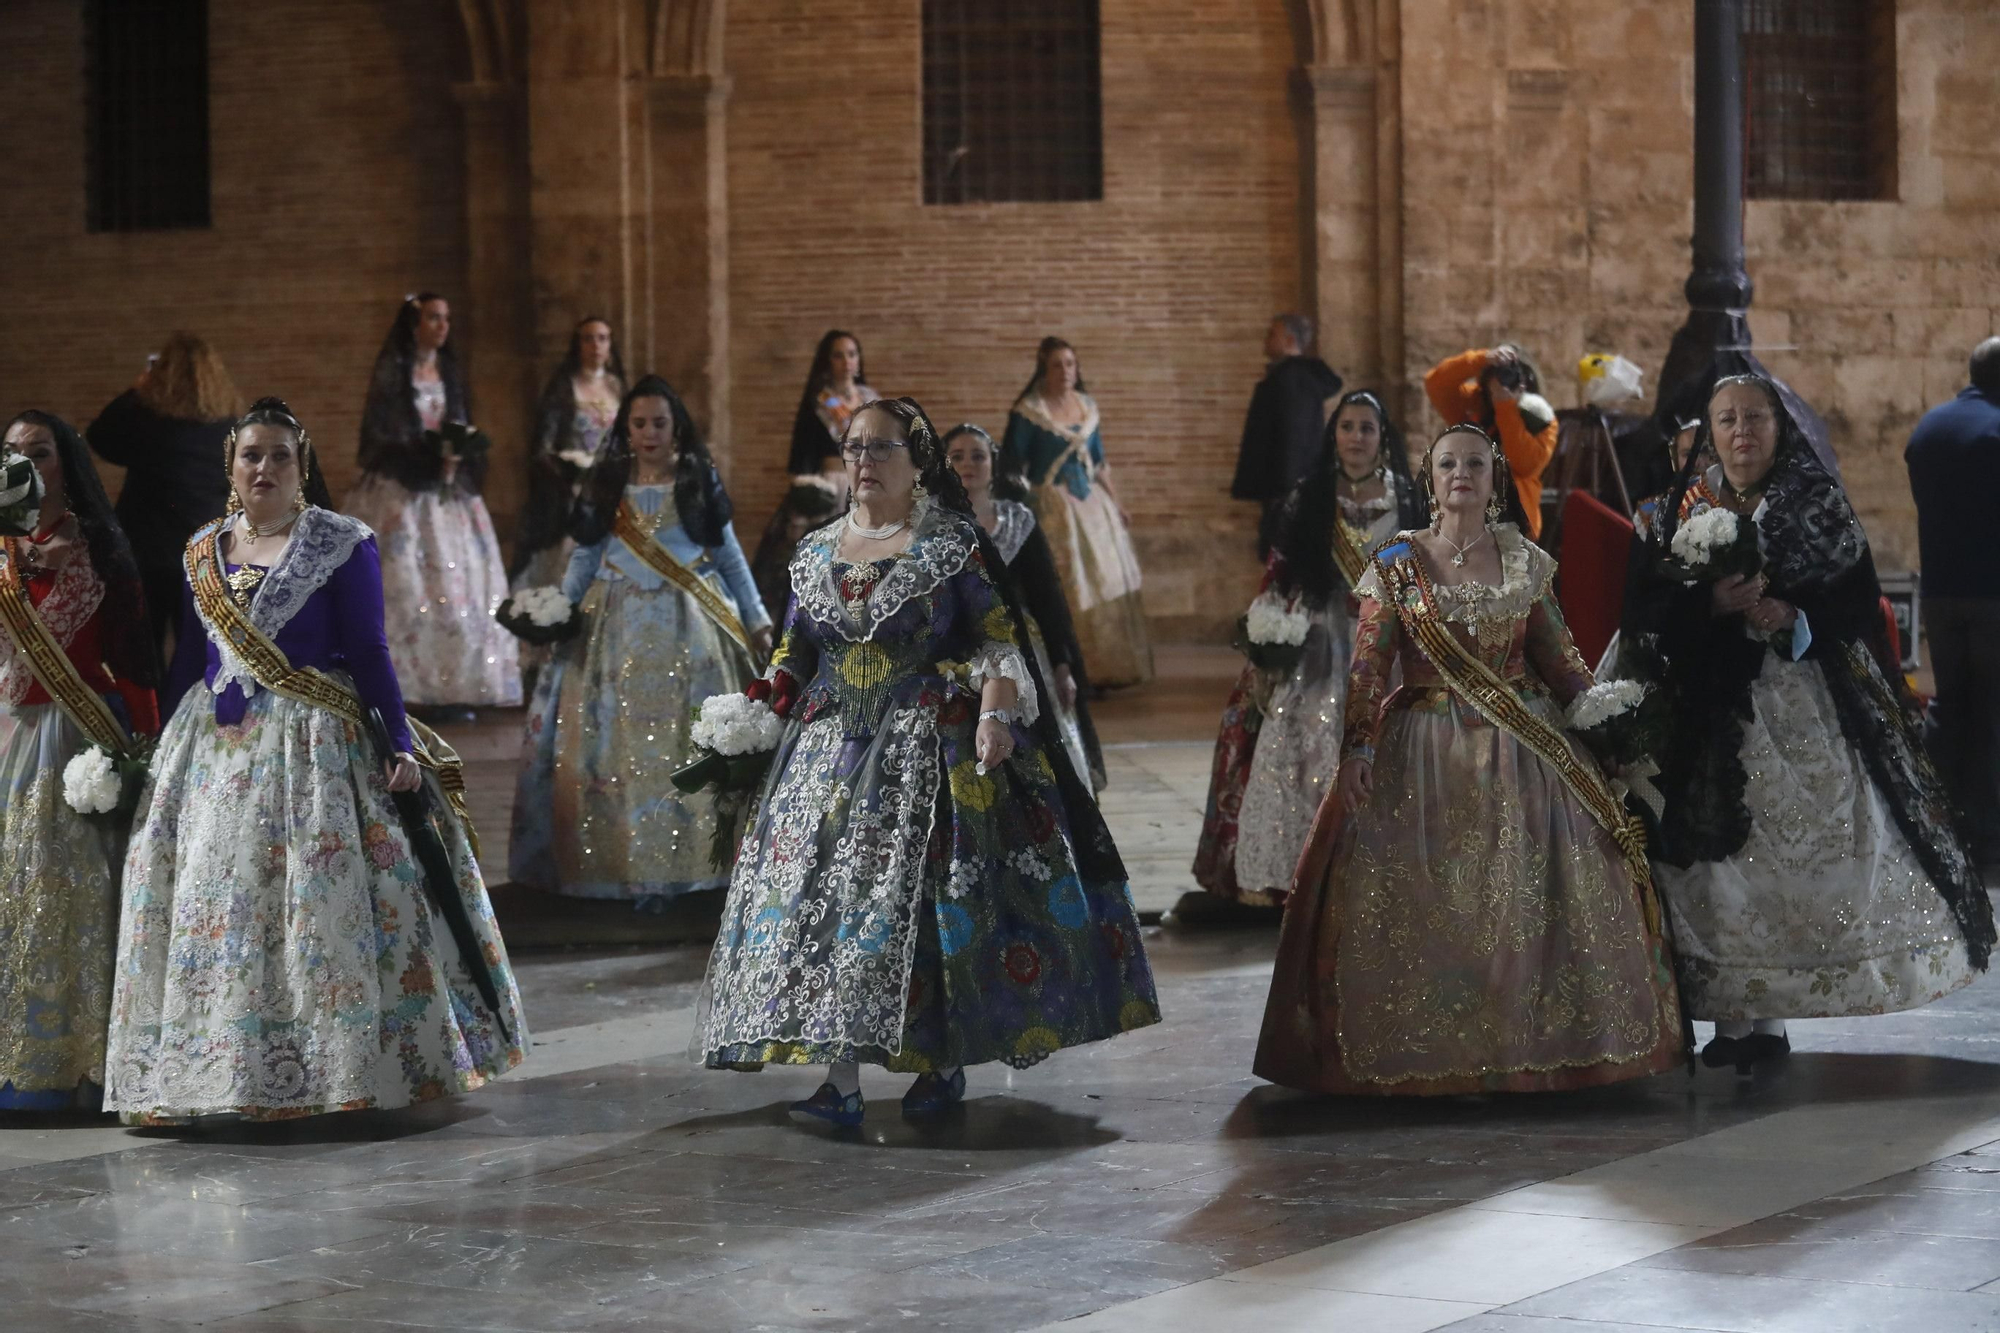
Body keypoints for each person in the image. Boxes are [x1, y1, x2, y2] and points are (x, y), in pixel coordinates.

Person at [696, 397, 1159, 1126]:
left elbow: (996, 635)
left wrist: (996, 712)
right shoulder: (816, 550)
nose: (863, 462)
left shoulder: (950, 545)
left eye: (881, 449)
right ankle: (839, 1079)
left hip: (922, 741)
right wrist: (760, 708)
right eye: (853, 447)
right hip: (824, 752)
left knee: (923, 908)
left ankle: (941, 1065)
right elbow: (794, 647)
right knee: (823, 908)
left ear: (918, 466)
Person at [105, 398, 527, 1123]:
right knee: (222, 907)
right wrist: (154, 748)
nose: (262, 467)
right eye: (250, 455)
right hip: (210, 751)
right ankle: (221, 1071)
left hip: (313, 746)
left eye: (278, 455)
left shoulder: (340, 540)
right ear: (230, 467)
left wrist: (396, 740)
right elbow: (190, 667)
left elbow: (370, 650)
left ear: (301, 466)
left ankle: (338, 1068)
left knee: (311, 898)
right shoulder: (202, 548)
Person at [1254, 422, 1684, 1095]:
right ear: (1431, 478)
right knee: (1433, 902)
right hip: (1423, 753)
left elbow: (1563, 662)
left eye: (1476, 464)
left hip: (1529, 757)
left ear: (1493, 478)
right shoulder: (1397, 562)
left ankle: (1536, 1047)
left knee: (1529, 903)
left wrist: (1611, 733)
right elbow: (1368, 665)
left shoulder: (1525, 561)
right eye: (1449, 463)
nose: (1462, 473)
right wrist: (1359, 745)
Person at [1622, 373, 1995, 1073]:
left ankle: (1770, 1019)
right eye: (1728, 419)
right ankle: (1729, 1019)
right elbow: (1642, 607)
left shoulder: (1815, 502)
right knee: (1713, 871)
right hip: (1706, 708)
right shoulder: (1680, 508)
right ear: (1710, 430)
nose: (1742, 432)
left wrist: (1794, 617)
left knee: (1785, 863)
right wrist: (1711, 606)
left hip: (1802, 706)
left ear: (1779, 426)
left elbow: (1854, 606)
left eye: (1756, 418)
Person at [510, 375, 772, 905]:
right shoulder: (608, 482)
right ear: (625, 429)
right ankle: (615, 866)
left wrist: (757, 616)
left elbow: (727, 553)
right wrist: (560, 610)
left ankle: (705, 865)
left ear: (675, 428)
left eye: (659, 422)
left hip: (693, 623)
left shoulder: (696, 478)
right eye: (639, 423)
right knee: (612, 745)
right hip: (613, 625)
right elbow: (585, 553)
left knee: (691, 735)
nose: (649, 432)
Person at [1194, 391, 1424, 908]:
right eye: (1347, 427)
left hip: (1385, 644)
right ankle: (1292, 874)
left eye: (1367, 427)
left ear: (1382, 435)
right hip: (1321, 642)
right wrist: (1268, 638)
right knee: (1298, 752)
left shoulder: (1408, 500)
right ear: (1334, 435)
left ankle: (1381, 874)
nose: (1357, 437)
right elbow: (1281, 571)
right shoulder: (1309, 497)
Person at [0, 411, 159, 1110]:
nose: (26, 464)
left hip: (75, 743)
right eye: (12, 453)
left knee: (75, 898)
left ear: (66, 463)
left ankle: (83, 1064)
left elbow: (133, 663)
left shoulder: (102, 551)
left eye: (40, 451)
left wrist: (145, 752)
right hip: (6, 734)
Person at [343, 293, 522, 712]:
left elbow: (458, 420)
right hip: (405, 489)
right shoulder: (395, 370)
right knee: (407, 582)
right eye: (433, 317)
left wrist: (456, 451)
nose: (442, 326)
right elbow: (384, 429)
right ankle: (407, 684)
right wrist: (425, 452)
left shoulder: (448, 371)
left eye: (446, 318)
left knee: (461, 583)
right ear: (414, 324)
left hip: (449, 491)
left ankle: (459, 684)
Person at [943, 421, 1104, 790]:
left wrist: (1063, 665)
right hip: (957, 653)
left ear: (993, 465)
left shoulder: (1018, 522)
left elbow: (1048, 597)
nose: (968, 464)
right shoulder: (933, 527)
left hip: (1024, 650)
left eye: (978, 456)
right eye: (957, 456)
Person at [1001, 337, 1153, 688]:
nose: (1065, 371)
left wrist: (1117, 504)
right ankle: (1066, 665)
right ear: (1043, 369)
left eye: (1070, 363)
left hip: (1093, 509)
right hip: (1052, 509)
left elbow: (1099, 463)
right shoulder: (1028, 413)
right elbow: (1012, 467)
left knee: (1103, 584)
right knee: (1066, 585)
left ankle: (1105, 668)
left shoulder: (1087, 407)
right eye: (1057, 364)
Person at [86, 331, 243, 660]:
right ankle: (194, 711)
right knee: (199, 653)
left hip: (146, 554)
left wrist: (137, 390)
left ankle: (151, 712)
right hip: (205, 554)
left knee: (144, 651)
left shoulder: (148, 424)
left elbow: (100, 437)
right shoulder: (231, 427)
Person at [1906, 337, 2000, 871]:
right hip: (1994, 593)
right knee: (1991, 711)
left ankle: (1931, 818)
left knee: (1949, 703)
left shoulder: (1930, 427)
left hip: (1941, 591)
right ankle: (1988, 838)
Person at [750, 330, 879, 621]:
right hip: (832, 486)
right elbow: (802, 452)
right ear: (826, 361)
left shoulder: (872, 401)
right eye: (838, 354)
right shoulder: (821, 402)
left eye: (852, 353)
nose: (846, 361)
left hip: (869, 486)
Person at [512, 315, 628, 590]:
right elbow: (544, 445)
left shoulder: (618, 388)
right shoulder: (564, 389)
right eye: (588, 339)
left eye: (602, 338)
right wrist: (567, 472)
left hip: (611, 488)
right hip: (572, 492)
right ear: (577, 345)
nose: (595, 345)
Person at [1424, 344, 1559, 540]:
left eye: (1511, 374)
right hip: (1465, 526)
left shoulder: (1540, 418)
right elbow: (1435, 384)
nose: (1505, 380)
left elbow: (1525, 464)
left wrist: (1506, 408)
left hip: (1514, 533)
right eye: (1500, 373)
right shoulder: (1476, 404)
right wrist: (1482, 359)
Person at [1229, 314, 1344, 534]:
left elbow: (1294, 438)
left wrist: (1284, 493)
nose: (1266, 339)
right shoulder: (1288, 377)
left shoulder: (1291, 380)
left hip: (1287, 492)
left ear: (1290, 341)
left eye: (1273, 334)